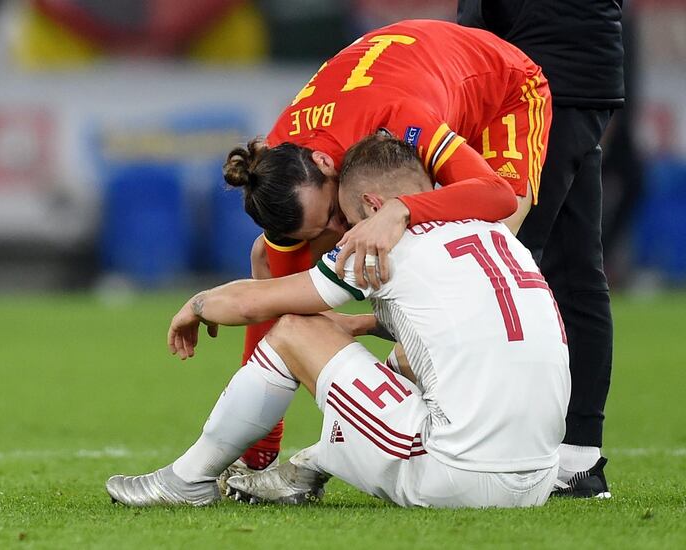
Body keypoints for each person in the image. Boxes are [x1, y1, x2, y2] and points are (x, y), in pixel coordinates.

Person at [106, 135, 569, 508]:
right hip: (540, 477)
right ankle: (313, 464)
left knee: (292, 329)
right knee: (408, 359)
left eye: (343, 217)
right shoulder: (493, 231)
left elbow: (255, 304)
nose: (343, 232)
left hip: (458, 479)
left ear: (371, 205)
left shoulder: (379, 243)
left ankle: (188, 479)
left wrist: (198, 304)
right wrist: (364, 325)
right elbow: (455, 322)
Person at [223, 18, 552, 474]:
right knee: (272, 263)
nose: (338, 230)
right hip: (416, 83)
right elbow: (270, 295)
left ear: (325, 162)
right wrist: (259, 453)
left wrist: (402, 209)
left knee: (481, 243)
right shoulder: (278, 177)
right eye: (324, 229)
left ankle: (432, 400)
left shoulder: (396, 119)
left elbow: (494, 195)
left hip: (503, 89)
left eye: (336, 217)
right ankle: (383, 396)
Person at [457, 0, 623, 496]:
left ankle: (492, 444)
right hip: (575, 69)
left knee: (498, 262)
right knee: (574, 267)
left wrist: (474, 52)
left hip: (540, 75)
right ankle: (578, 458)